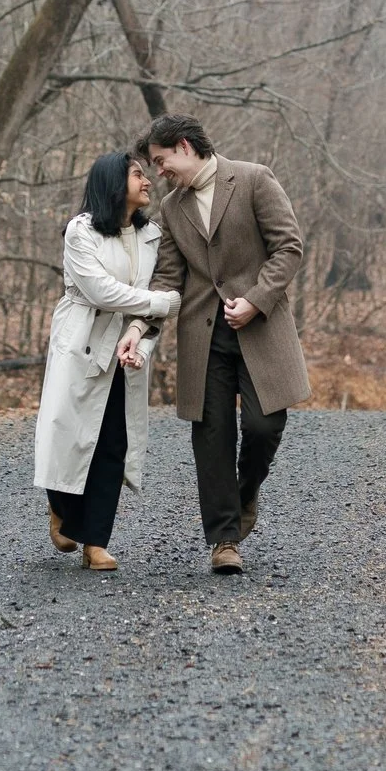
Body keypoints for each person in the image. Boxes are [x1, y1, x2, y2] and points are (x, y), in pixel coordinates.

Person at [141, 114, 309, 575]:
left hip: (260, 327)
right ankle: (224, 540)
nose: (159, 171)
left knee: (263, 426)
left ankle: (245, 492)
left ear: (184, 146)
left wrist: (256, 300)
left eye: (161, 160)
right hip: (202, 335)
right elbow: (168, 277)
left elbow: (288, 247)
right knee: (212, 437)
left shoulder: (254, 179)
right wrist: (141, 325)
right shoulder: (171, 208)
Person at [33, 151, 177, 572]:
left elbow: (156, 295)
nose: (147, 181)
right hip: (81, 341)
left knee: (113, 441)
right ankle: (60, 507)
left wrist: (142, 340)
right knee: (68, 432)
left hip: (124, 347)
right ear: (114, 182)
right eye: (137, 174)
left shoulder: (151, 235)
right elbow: (101, 291)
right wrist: (159, 303)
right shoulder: (80, 232)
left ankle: (95, 542)